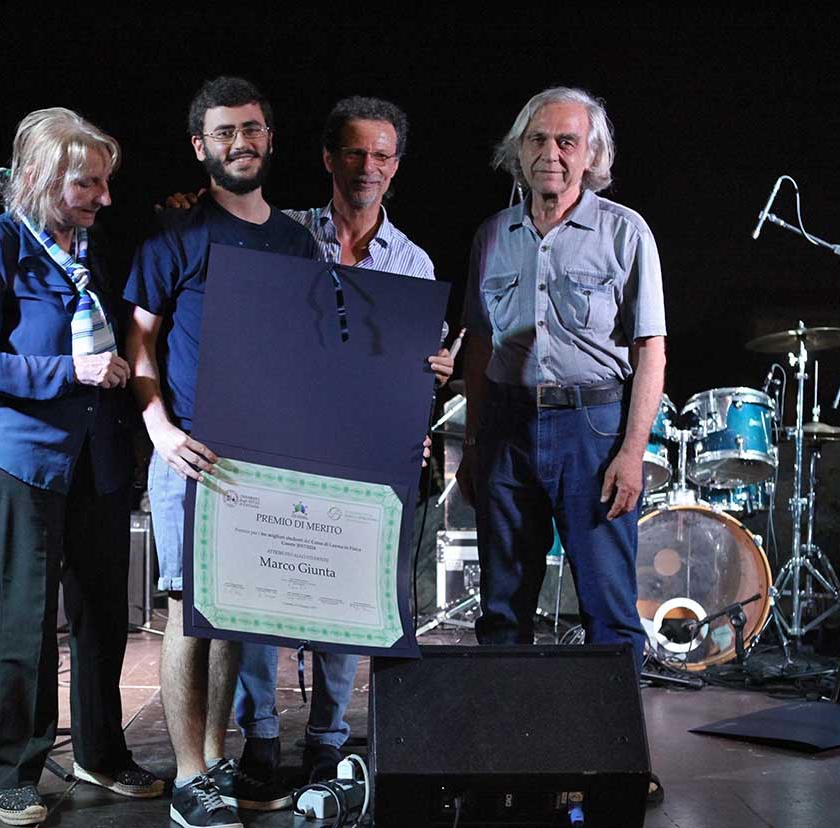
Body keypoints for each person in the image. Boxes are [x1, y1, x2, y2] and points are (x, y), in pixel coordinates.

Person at [231, 96, 453, 786]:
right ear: (328, 158)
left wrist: (427, 387)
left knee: (345, 590)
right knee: (262, 590)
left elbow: (413, 366)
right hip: (279, 438)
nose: (368, 166)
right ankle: (260, 733)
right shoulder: (284, 233)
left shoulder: (412, 262)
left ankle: (327, 736)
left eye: (381, 155)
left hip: (364, 451)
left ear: (396, 166)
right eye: (355, 152)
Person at [0, 107, 162, 827]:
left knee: (103, 616)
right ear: (41, 178)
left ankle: (100, 753)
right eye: (87, 184)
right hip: (20, 457)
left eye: (105, 182)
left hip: (97, 457)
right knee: (26, 620)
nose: (105, 197)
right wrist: (69, 370)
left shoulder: (91, 247)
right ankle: (13, 769)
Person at [455, 87, 666, 804]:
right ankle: (505, 762)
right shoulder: (491, 234)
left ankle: (617, 764)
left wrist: (632, 451)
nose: (551, 154)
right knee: (501, 609)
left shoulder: (625, 231)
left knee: (607, 611)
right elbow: (478, 346)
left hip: (593, 429)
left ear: (591, 154)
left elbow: (650, 349)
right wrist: (473, 447)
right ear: (517, 151)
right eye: (538, 140)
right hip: (507, 429)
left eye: (567, 142)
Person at [124, 77, 317, 828]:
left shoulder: (294, 240)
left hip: (259, 458)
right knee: (188, 609)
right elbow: (140, 338)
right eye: (225, 132)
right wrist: (159, 429)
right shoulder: (175, 233)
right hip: (190, 450)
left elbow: (303, 347)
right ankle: (187, 778)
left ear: (270, 137)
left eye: (253, 129)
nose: (242, 142)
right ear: (200, 146)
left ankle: (211, 762)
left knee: (233, 613)